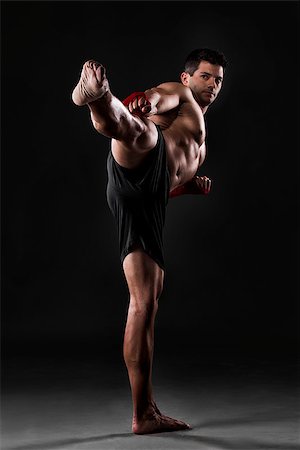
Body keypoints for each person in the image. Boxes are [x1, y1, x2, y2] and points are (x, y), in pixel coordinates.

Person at [71, 48, 227, 434]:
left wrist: (186, 188)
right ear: (188, 78)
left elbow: (160, 188)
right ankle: (98, 96)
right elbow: (160, 96)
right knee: (136, 129)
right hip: (145, 152)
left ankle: (146, 411)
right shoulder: (181, 94)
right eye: (206, 76)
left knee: (147, 298)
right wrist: (146, 99)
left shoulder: (200, 144)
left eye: (219, 80)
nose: (213, 85)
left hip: (146, 190)